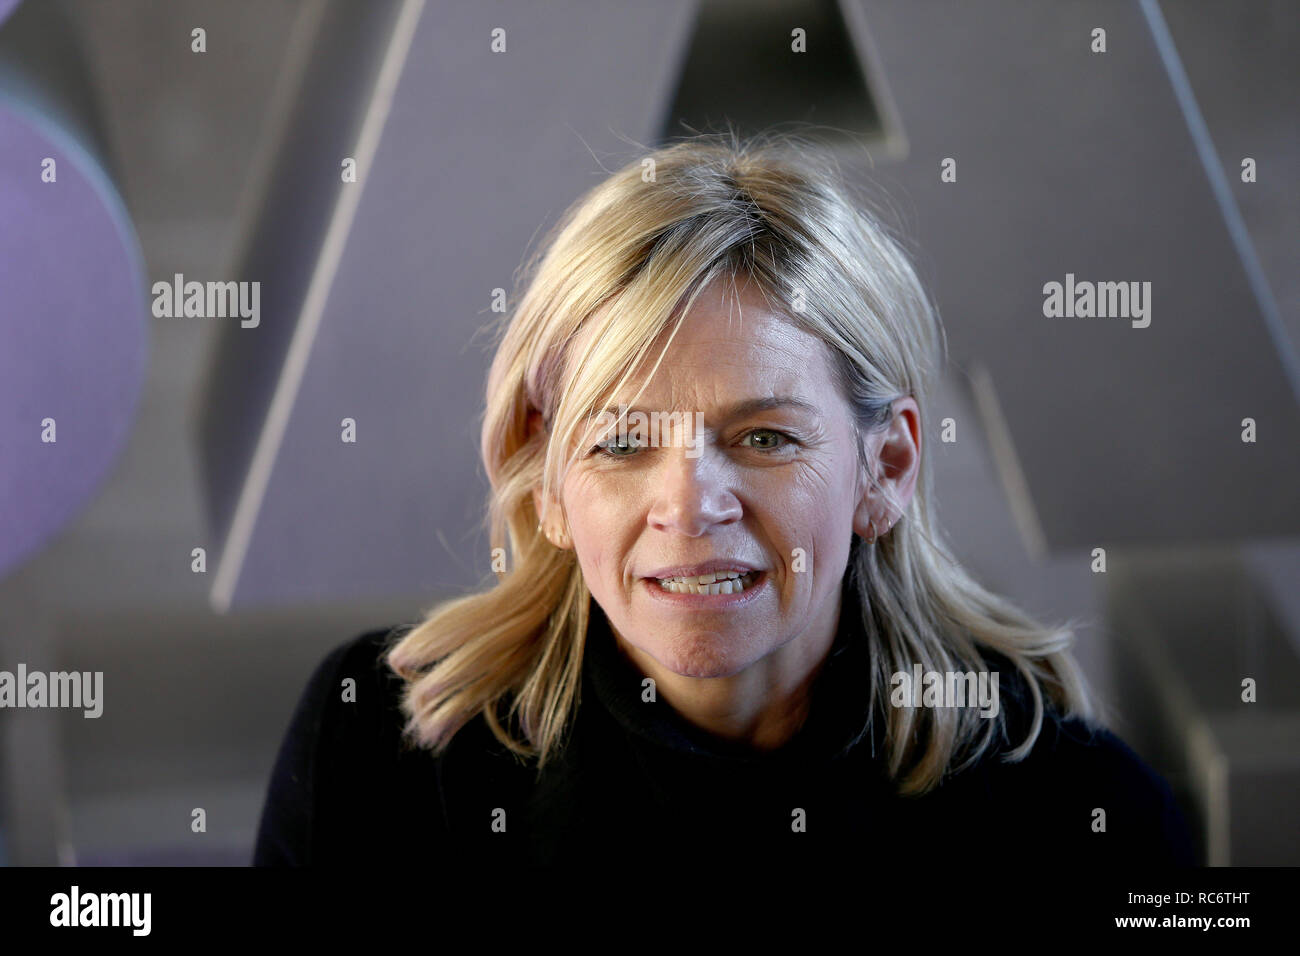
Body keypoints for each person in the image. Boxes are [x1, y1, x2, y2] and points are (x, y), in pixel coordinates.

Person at [253, 130, 1195, 868]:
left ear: (889, 469)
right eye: (621, 441)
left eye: (764, 438)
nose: (690, 505)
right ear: (545, 480)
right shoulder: (376, 763)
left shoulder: (1083, 822)